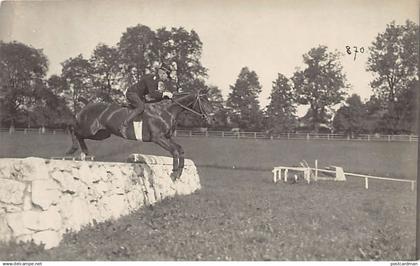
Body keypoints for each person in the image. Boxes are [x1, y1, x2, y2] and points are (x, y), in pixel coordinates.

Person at [120, 63, 177, 137]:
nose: (167, 78)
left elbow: (156, 97)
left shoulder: (156, 80)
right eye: (167, 75)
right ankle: (124, 125)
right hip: (132, 93)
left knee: (149, 106)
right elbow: (153, 94)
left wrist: (167, 96)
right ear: (162, 73)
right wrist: (164, 94)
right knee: (141, 107)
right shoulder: (152, 78)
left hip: (139, 96)